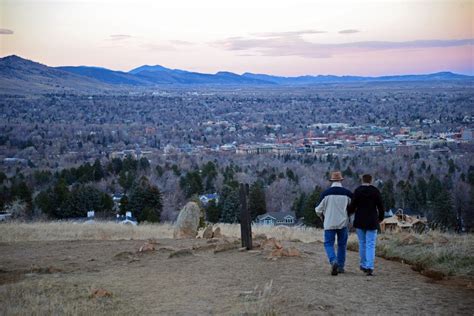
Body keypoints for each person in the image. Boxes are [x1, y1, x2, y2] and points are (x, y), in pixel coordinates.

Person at [315, 171, 353, 276]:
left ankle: (333, 261)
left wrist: (322, 216)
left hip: (329, 223)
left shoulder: (325, 194)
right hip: (343, 223)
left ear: (331, 181)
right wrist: (348, 214)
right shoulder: (347, 193)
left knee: (328, 244)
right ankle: (340, 266)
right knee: (342, 245)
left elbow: (318, 209)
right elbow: (353, 207)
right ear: (341, 180)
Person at [348, 174, 384, 276]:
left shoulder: (358, 190)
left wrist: (348, 212)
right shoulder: (375, 191)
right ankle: (370, 266)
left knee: (362, 243)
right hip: (372, 220)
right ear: (371, 180)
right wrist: (380, 218)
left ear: (362, 180)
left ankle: (363, 264)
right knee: (370, 244)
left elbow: (352, 206)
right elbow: (381, 206)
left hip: (360, 220)